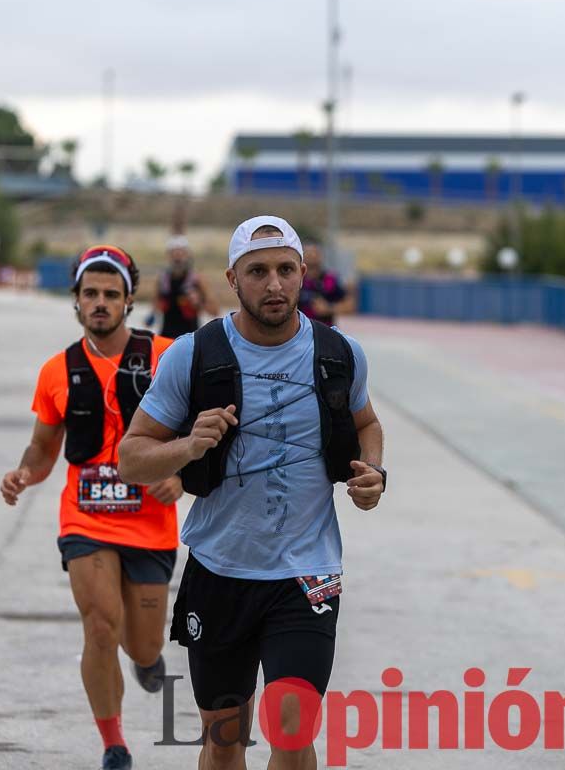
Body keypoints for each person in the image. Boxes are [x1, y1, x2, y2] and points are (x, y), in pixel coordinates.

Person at [118, 216, 387, 769]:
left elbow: (367, 423)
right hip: (221, 569)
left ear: (303, 275)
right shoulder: (193, 355)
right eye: (257, 271)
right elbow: (132, 457)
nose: (274, 284)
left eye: (286, 270)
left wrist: (373, 474)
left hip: (308, 571)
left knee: (292, 731)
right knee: (224, 739)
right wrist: (188, 446)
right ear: (232, 279)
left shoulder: (339, 354)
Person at [0, 244, 183, 770]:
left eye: (111, 294)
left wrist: (180, 476)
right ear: (76, 301)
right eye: (90, 294)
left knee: (143, 646)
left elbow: (202, 432)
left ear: (129, 301)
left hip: (150, 524)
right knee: (100, 624)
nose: (99, 303)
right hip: (87, 519)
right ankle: (114, 744)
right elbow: (42, 447)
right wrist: (23, 474)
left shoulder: (167, 357)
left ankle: (147, 662)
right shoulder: (57, 371)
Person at [147, 235, 218, 338]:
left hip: (191, 337)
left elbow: (215, 312)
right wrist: (151, 316)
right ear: (168, 256)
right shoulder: (162, 279)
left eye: (181, 253)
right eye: (174, 254)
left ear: (187, 255)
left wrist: (198, 303)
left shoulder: (197, 279)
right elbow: (154, 308)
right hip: (167, 336)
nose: (178, 257)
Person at [298, 242, 350, 327]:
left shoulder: (330, 280)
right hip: (298, 333)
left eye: (314, 253)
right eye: (307, 253)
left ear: (321, 256)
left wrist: (328, 308)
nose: (311, 257)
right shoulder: (295, 280)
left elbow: (349, 305)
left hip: (324, 332)